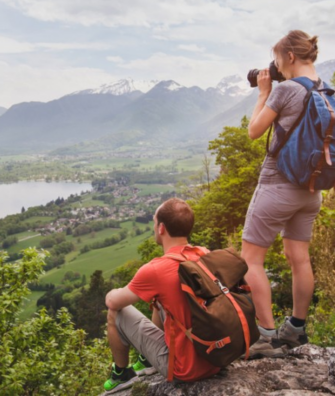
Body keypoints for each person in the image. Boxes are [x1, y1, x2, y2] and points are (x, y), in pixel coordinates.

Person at [242, 30, 323, 359]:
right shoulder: (327, 89)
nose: (274, 67)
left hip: (278, 185)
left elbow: (253, 131)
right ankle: (296, 329)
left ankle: (267, 336)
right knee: (298, 258)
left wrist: (263, 93)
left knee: (250, 259)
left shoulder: (287, 89)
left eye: (276, 60)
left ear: (290, 56)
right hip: (312, 190)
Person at [103, 198, 220, 394]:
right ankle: (147, 359)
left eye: (155, 221)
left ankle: (121, 374)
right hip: (217, 356)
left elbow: (113, 302)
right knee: (164, 299)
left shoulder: (157, 269)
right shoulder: (204, 253)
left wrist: (111, 292)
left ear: (162, 228)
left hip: (185, 369)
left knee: (116, 313)